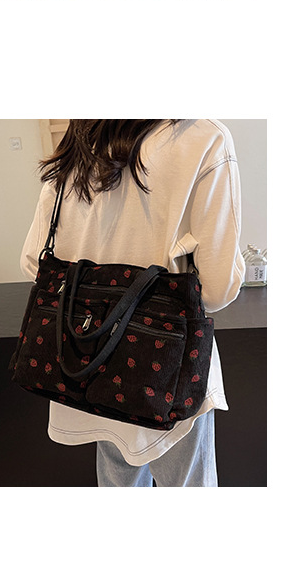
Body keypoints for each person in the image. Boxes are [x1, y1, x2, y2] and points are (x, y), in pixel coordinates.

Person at [19, 119, 244, 486]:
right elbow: (218, 290)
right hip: (165, 366)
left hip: (85, 363)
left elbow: (33, 261)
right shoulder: (203, 138)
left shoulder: (82, 136)